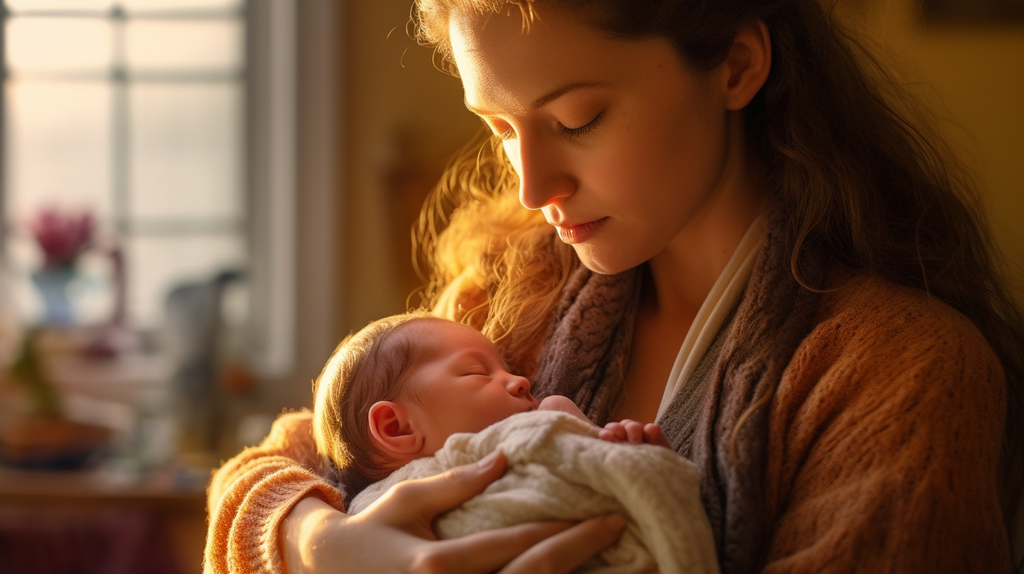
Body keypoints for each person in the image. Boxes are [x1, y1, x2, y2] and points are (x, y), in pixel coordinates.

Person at [204, 1, 1024, 573]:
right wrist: (317, 543)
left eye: (577, 120)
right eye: (498, 128)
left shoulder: (903, 373)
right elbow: (273, 468)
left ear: (737, 66)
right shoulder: (512, 297)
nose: (530, 186)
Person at [312, 312, 719, 573]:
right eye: (477, 372)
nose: (522, 380)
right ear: (397, 427)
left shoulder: (539, 434)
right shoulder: (380, 514)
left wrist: (631, 458)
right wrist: (312, 540)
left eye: (508, 368)